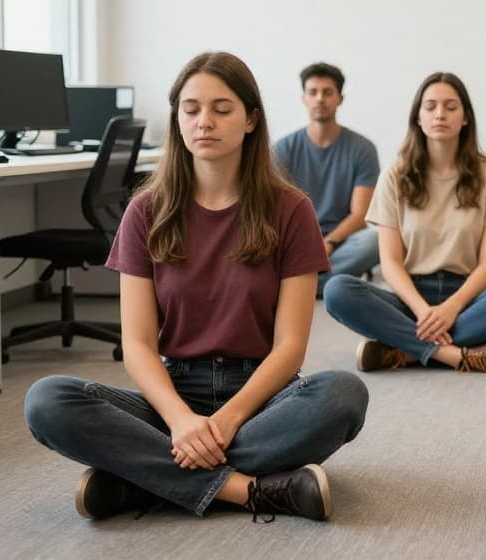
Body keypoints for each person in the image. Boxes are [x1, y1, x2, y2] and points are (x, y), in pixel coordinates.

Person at [23, 52, 369, 522]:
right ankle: (248, 490)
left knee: (343, 395)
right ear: (177, 119)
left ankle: (141, 483)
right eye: (190, 110)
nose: (204, 121)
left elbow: (290, 347)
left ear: (250, 119)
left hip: (262, 395)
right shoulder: (145, 211)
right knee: (46, 400)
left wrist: (226, 421)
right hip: (174, 390)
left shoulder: (291, 210)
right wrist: (181, 421)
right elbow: (139, 345)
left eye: (222, 109)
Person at [324, 72, 486, 374]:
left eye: (451, 107)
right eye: (430, 106)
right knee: (338, 290)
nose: (440, 114)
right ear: (418, 117)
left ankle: (405, 352)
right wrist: (423, 311)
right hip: (409, 299)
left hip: (466, 298)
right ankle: (458, 355)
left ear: (465, 117)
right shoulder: (394, 176)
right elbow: (390, 263)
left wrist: (451, 308)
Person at [274, 62, 381, 287]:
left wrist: (329, 243)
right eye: (313, 92)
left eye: (327, 92)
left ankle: (299, 286)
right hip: (296, 241)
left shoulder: (363, 149)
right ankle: (329, 285)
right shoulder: (283, 149)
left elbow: (360, 214)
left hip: (340, 242)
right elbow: (276, 210)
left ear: (340, 98)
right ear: (304, 98)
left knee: (376, 240)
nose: (319, 99)